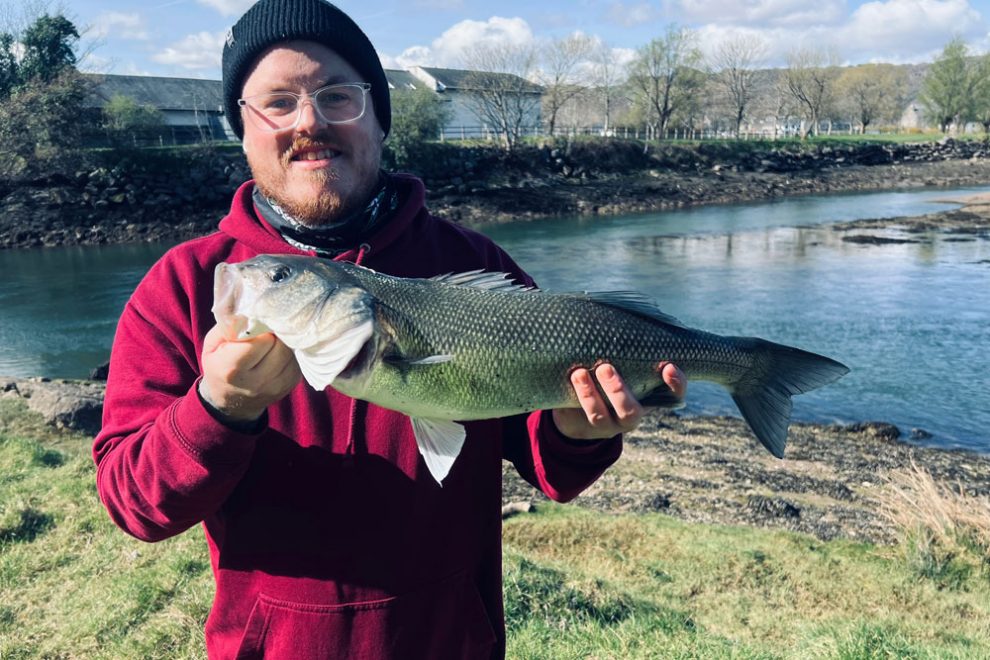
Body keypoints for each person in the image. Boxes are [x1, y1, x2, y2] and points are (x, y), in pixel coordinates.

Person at [93, 0, 686, 657]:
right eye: (278, 102)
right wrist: (218, 411)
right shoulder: (185, 285)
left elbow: (554, 472)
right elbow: (134, 504)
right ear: (242, 128)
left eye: (338, 96)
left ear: (379, 120)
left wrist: (578, 431)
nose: (310, 121)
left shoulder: (475, 266)